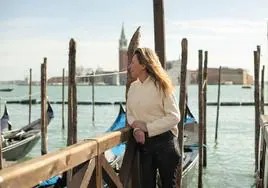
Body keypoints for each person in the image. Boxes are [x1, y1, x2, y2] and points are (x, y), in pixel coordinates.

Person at [126, 47, 181, 188]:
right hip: (144, 145)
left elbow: (174, 117)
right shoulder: (133, 87)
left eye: (133, 63)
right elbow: (130, 114)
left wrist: (147, 128)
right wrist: (136, 129)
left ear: (143, 65)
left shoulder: (162, 85)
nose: (129, 66)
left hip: (165, 145)